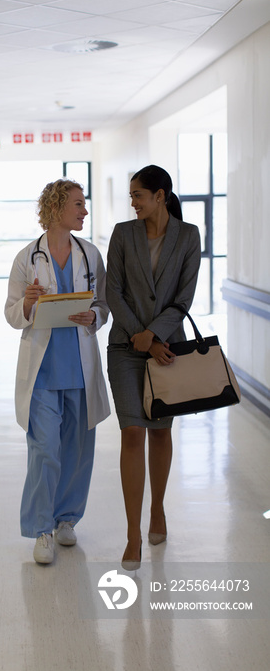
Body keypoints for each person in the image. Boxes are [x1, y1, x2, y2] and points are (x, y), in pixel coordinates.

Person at [5, 179, 110, 564]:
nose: (84, 211)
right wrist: (29, 304)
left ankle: (67, 519)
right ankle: (41, 529)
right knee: (45, 451)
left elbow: (103, 305)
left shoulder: (90, 254)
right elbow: (12, 314)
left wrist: (95, 315)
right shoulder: (26, 258)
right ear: (56, 209)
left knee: (79, 452)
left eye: (84, 204)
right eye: (78, 204)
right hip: (44, 373)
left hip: (80, 370)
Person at [106, 165, 201, 570]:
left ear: (160, 196)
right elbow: (113, 290)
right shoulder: (122, 234)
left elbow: (185, 297)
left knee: (160, 433)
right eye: (131, 196)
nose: (133, 202)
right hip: (126, 349)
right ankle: (132, 534)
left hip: (167, 350)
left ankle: (157, 510)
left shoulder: (188, 236)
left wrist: (156, 337)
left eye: (138, 195)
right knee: (132, 433)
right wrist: (138, 335)